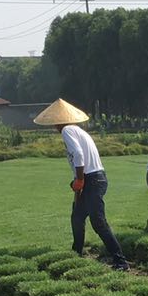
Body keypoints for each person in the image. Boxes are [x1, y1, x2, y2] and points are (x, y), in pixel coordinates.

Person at [34, 98, 128, 270]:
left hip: (92, 179)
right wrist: (78, 180)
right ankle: (76, 253)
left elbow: (78, 154)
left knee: (98, 222)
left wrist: (80, 179)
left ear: (58, 121)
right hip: (92, 178)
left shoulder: (68, 130)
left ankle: (121, 261)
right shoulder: (77, 130)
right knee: (77, 217)